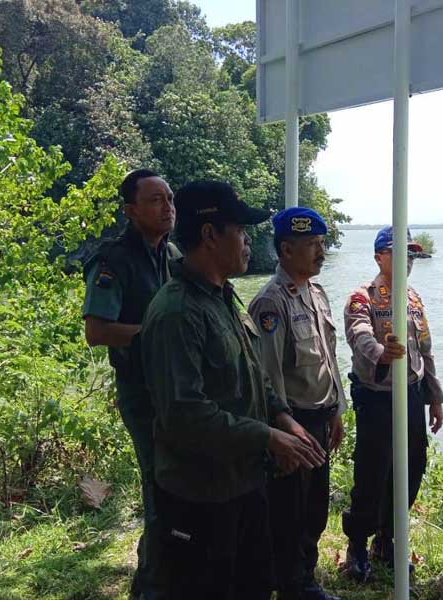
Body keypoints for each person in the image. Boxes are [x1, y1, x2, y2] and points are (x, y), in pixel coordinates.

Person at [140, 181, 327, 600]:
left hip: (243, 482)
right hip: (200, 496)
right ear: (210, 236)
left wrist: (282, 417)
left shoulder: (223, 297)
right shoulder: (177, 313)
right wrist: (267, 436)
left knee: (254, 585)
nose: (247, 242)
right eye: (241, 231)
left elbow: (254, 372)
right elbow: (185, 414)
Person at [81, 169, 179, 599]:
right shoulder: (114, 260)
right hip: (142, 393)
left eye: (170, 199)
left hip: (180, 390)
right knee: (159, 486)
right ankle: (150, 587)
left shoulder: (173, 256)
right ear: (131, 210)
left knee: (181, 486)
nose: (168, 207)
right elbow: (97, 330)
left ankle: (174, 573)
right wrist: (151, 332)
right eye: (156, 200)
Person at [248, 207, 346, 600]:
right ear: (286, 250)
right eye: (312, 246)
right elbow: (268, 378)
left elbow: (329, 357)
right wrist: (283, 433)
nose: (321, 253)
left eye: (322, 244)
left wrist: (338, 408)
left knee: (315, 510)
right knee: (290, 513)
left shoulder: (315, 293)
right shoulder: (271, 304)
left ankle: (302, 577)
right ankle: (293, 584)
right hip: (296, 424)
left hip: (320, 419)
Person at [341, 226, 443, 582]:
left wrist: (435, 399)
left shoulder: (414, 299)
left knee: (412, 467)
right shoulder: (363, 297)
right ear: (379, 257)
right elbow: (359, 335)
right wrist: (382, 353)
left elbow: (425, 351)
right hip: (377, 396)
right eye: (399, 253)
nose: (408, 261)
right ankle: (357, 543)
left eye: (413, 255)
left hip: (412, 395)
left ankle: (387, 540)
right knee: (373, 472)